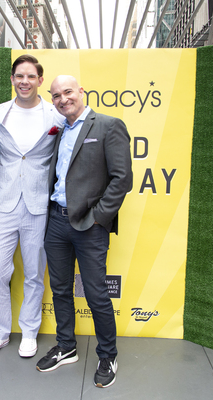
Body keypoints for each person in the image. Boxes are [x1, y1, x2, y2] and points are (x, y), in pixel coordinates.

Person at [35, 75, 132, 389]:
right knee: (61, 289)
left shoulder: (107, 125)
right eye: (56, 95)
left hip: (89, 226)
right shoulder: (60, 130)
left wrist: (97, 218)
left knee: (95, 293)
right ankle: (67, 346)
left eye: (67, 92)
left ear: (81, 92)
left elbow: (122, 179)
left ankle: (108, 354)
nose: (63, 99)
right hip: (56, 222)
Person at [0, 55, 64, 358]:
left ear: (40, 80)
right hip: (3, 201)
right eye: (19, 76)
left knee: (33, 273)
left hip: (39, 203)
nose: (24, 82)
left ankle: (29, 331)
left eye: (30, 76)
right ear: (12, 79)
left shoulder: (56, 116)